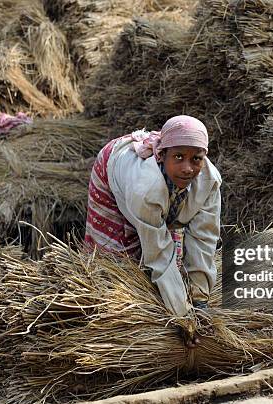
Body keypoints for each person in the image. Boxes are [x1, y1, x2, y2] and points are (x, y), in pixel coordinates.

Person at [85, 115, 221, 329]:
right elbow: (159, 256)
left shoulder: (209, 182)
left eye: (196, 159)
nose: (187, 168)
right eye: (178, 157)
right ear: (162, 154)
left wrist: (200, 301)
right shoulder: (145, 188)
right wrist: (184, 318)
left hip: (155, 194)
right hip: (113, 170)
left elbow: (204, 238)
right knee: (121, 258)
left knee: (170, 250)